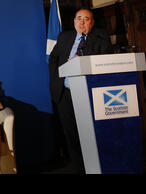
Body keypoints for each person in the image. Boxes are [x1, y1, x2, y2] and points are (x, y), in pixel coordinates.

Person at [48, 8, 113, 173]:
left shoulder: (100, 37)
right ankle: (79, 166)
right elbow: (53, 60)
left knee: (91, 131)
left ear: (92, 22)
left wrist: (83, 60)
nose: (81, 22)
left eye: (86, 19)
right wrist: (57, 81)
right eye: (79, 18)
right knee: (70, 132)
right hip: (65, 92)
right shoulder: (65, 36)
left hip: (89, 93)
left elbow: (105, 56)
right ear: (74, 20)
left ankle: (96, 165)